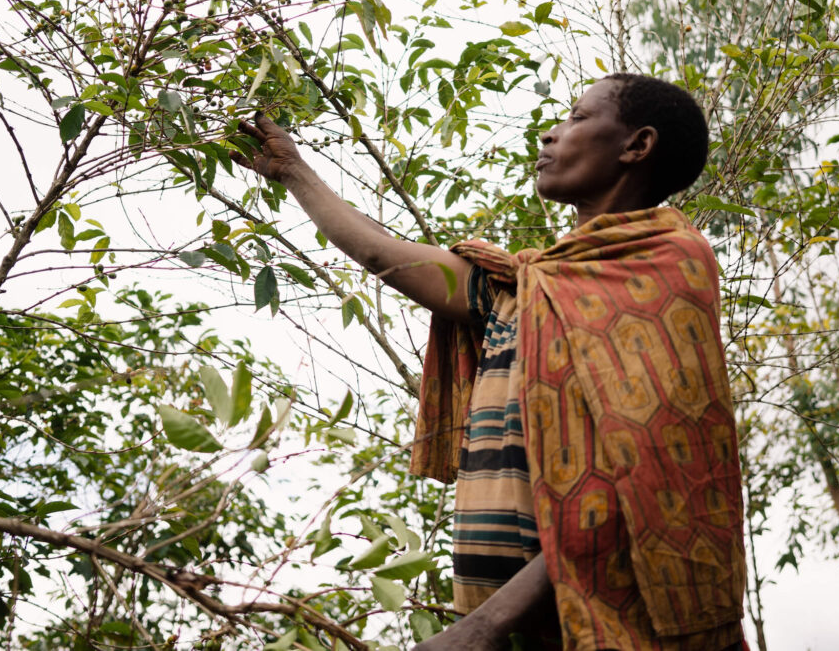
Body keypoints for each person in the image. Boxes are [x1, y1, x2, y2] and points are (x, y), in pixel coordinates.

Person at [232, 73, 746, 651]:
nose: (550, 134)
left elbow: (644, 485)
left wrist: (485, 625)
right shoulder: (525, 287)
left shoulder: (664, 269)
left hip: (606, 632)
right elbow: (382, 254)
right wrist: (292, 169)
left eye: (577, 118)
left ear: (636, 146)